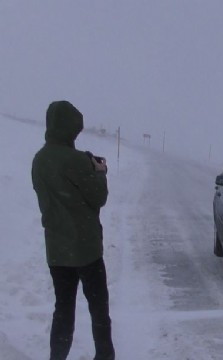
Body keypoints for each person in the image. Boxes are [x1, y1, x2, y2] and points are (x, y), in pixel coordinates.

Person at [31, 100, 115, 360]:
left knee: (63, 310)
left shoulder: (39, 160)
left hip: (57, 250)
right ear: (71, 129)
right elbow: (98, 197)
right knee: (98, 309)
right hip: (86, 249)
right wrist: (99, 172)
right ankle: (104, 356)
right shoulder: (76, 160)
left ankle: (57, 356)